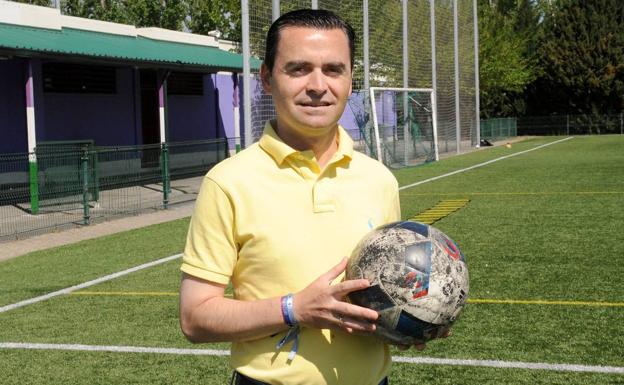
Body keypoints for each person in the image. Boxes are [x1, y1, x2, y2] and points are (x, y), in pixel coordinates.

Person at [179, 9, 403, 385]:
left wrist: (411, 319)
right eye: (298, 69)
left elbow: (385, 291)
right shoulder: (228, 182)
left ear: (350, 80)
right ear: (267, 78)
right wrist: (292, 309)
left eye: (333, 69)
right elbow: (194, 317)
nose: (318, 85)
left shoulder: (379, 180)